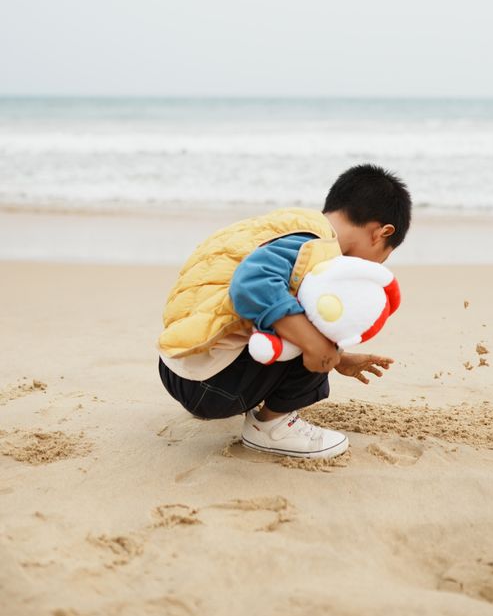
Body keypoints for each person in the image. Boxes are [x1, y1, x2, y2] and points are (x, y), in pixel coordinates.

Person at [157, 164, 411, 459]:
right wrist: (319, 346)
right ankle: (271, 426)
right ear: (382, 233)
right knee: (323, 317)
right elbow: (251, 284)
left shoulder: (285, 227)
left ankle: (251, 399)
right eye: (383, 257)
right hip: (212, 387)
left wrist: (339, 360)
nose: (375, 266)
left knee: (290, 307)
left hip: (176, 364)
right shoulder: (319, 247)